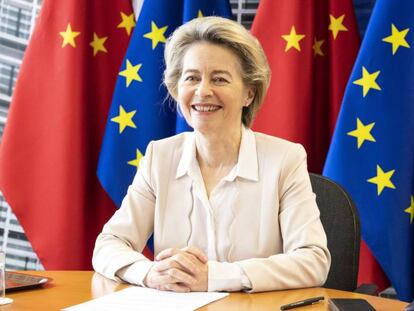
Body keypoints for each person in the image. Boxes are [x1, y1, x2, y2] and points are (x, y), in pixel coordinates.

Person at [92, 16, 330, 293]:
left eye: (219, 79)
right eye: (192, 78)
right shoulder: (160, 156)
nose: (203, 91)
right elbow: (108, 244)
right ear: (176, 88)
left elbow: (313, 261)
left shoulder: (284, 159)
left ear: (248, 94)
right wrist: (150, 272)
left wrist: (215, 277)